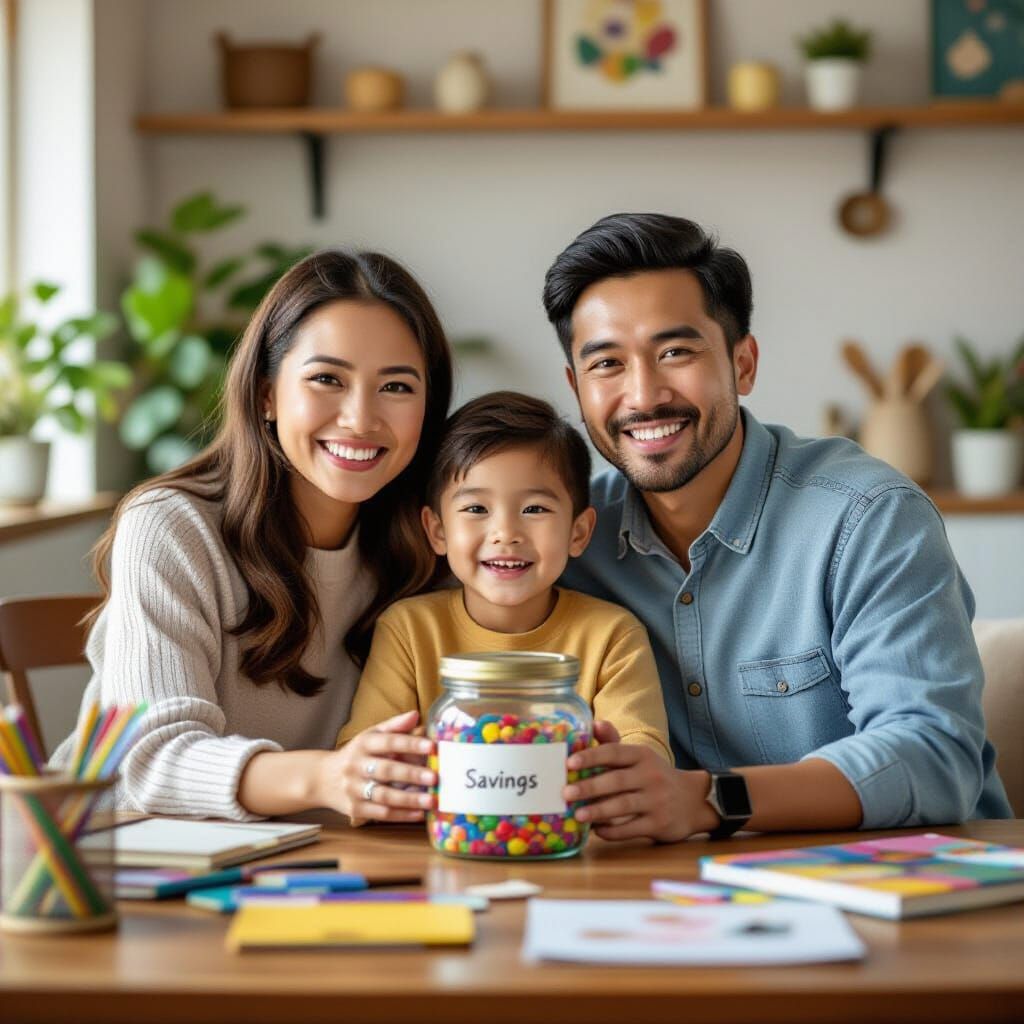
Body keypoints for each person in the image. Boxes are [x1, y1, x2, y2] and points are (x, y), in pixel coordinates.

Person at [543, 212, 1012, 842]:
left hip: (914, 896)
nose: (644, 394)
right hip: (682, 903)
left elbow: (933, 756)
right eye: (607, 365)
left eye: (675, 351)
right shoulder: (563, 539)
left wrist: (709, 800)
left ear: (743, 364)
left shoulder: (866, 516)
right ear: (576, 387)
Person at [52, 249, 454, 823]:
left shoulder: (431, 541)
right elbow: (149, 760)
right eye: (326, 379)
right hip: (121, 856)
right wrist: (327, 777)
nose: (361, 418)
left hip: (317, 866)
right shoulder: (171, 526)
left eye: (396, 387)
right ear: (267, 393)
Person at [336, 390, 672, 775]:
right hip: (441, 832)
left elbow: (644, 759)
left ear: (579, 532)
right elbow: (363, 759)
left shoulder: (612, 635)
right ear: (437, 530)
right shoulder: (409, 629)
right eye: (476, 509)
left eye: (534, 509)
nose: (505, 533)